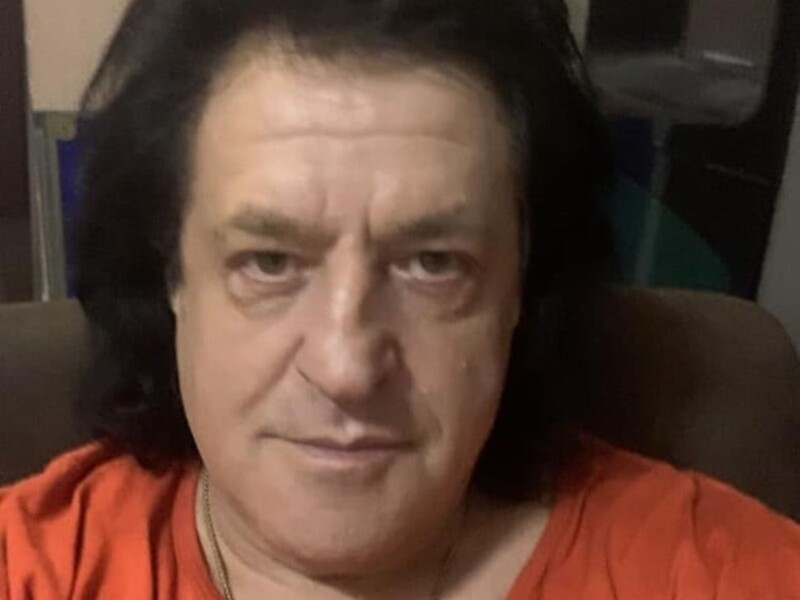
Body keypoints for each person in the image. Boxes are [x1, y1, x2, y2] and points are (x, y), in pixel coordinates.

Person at [1, 0, 799, 598]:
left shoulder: (719, 572)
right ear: (172, 276)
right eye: (269, 262)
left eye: (433, 263)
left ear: (521, 285)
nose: (346, 368)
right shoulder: (34, 569)